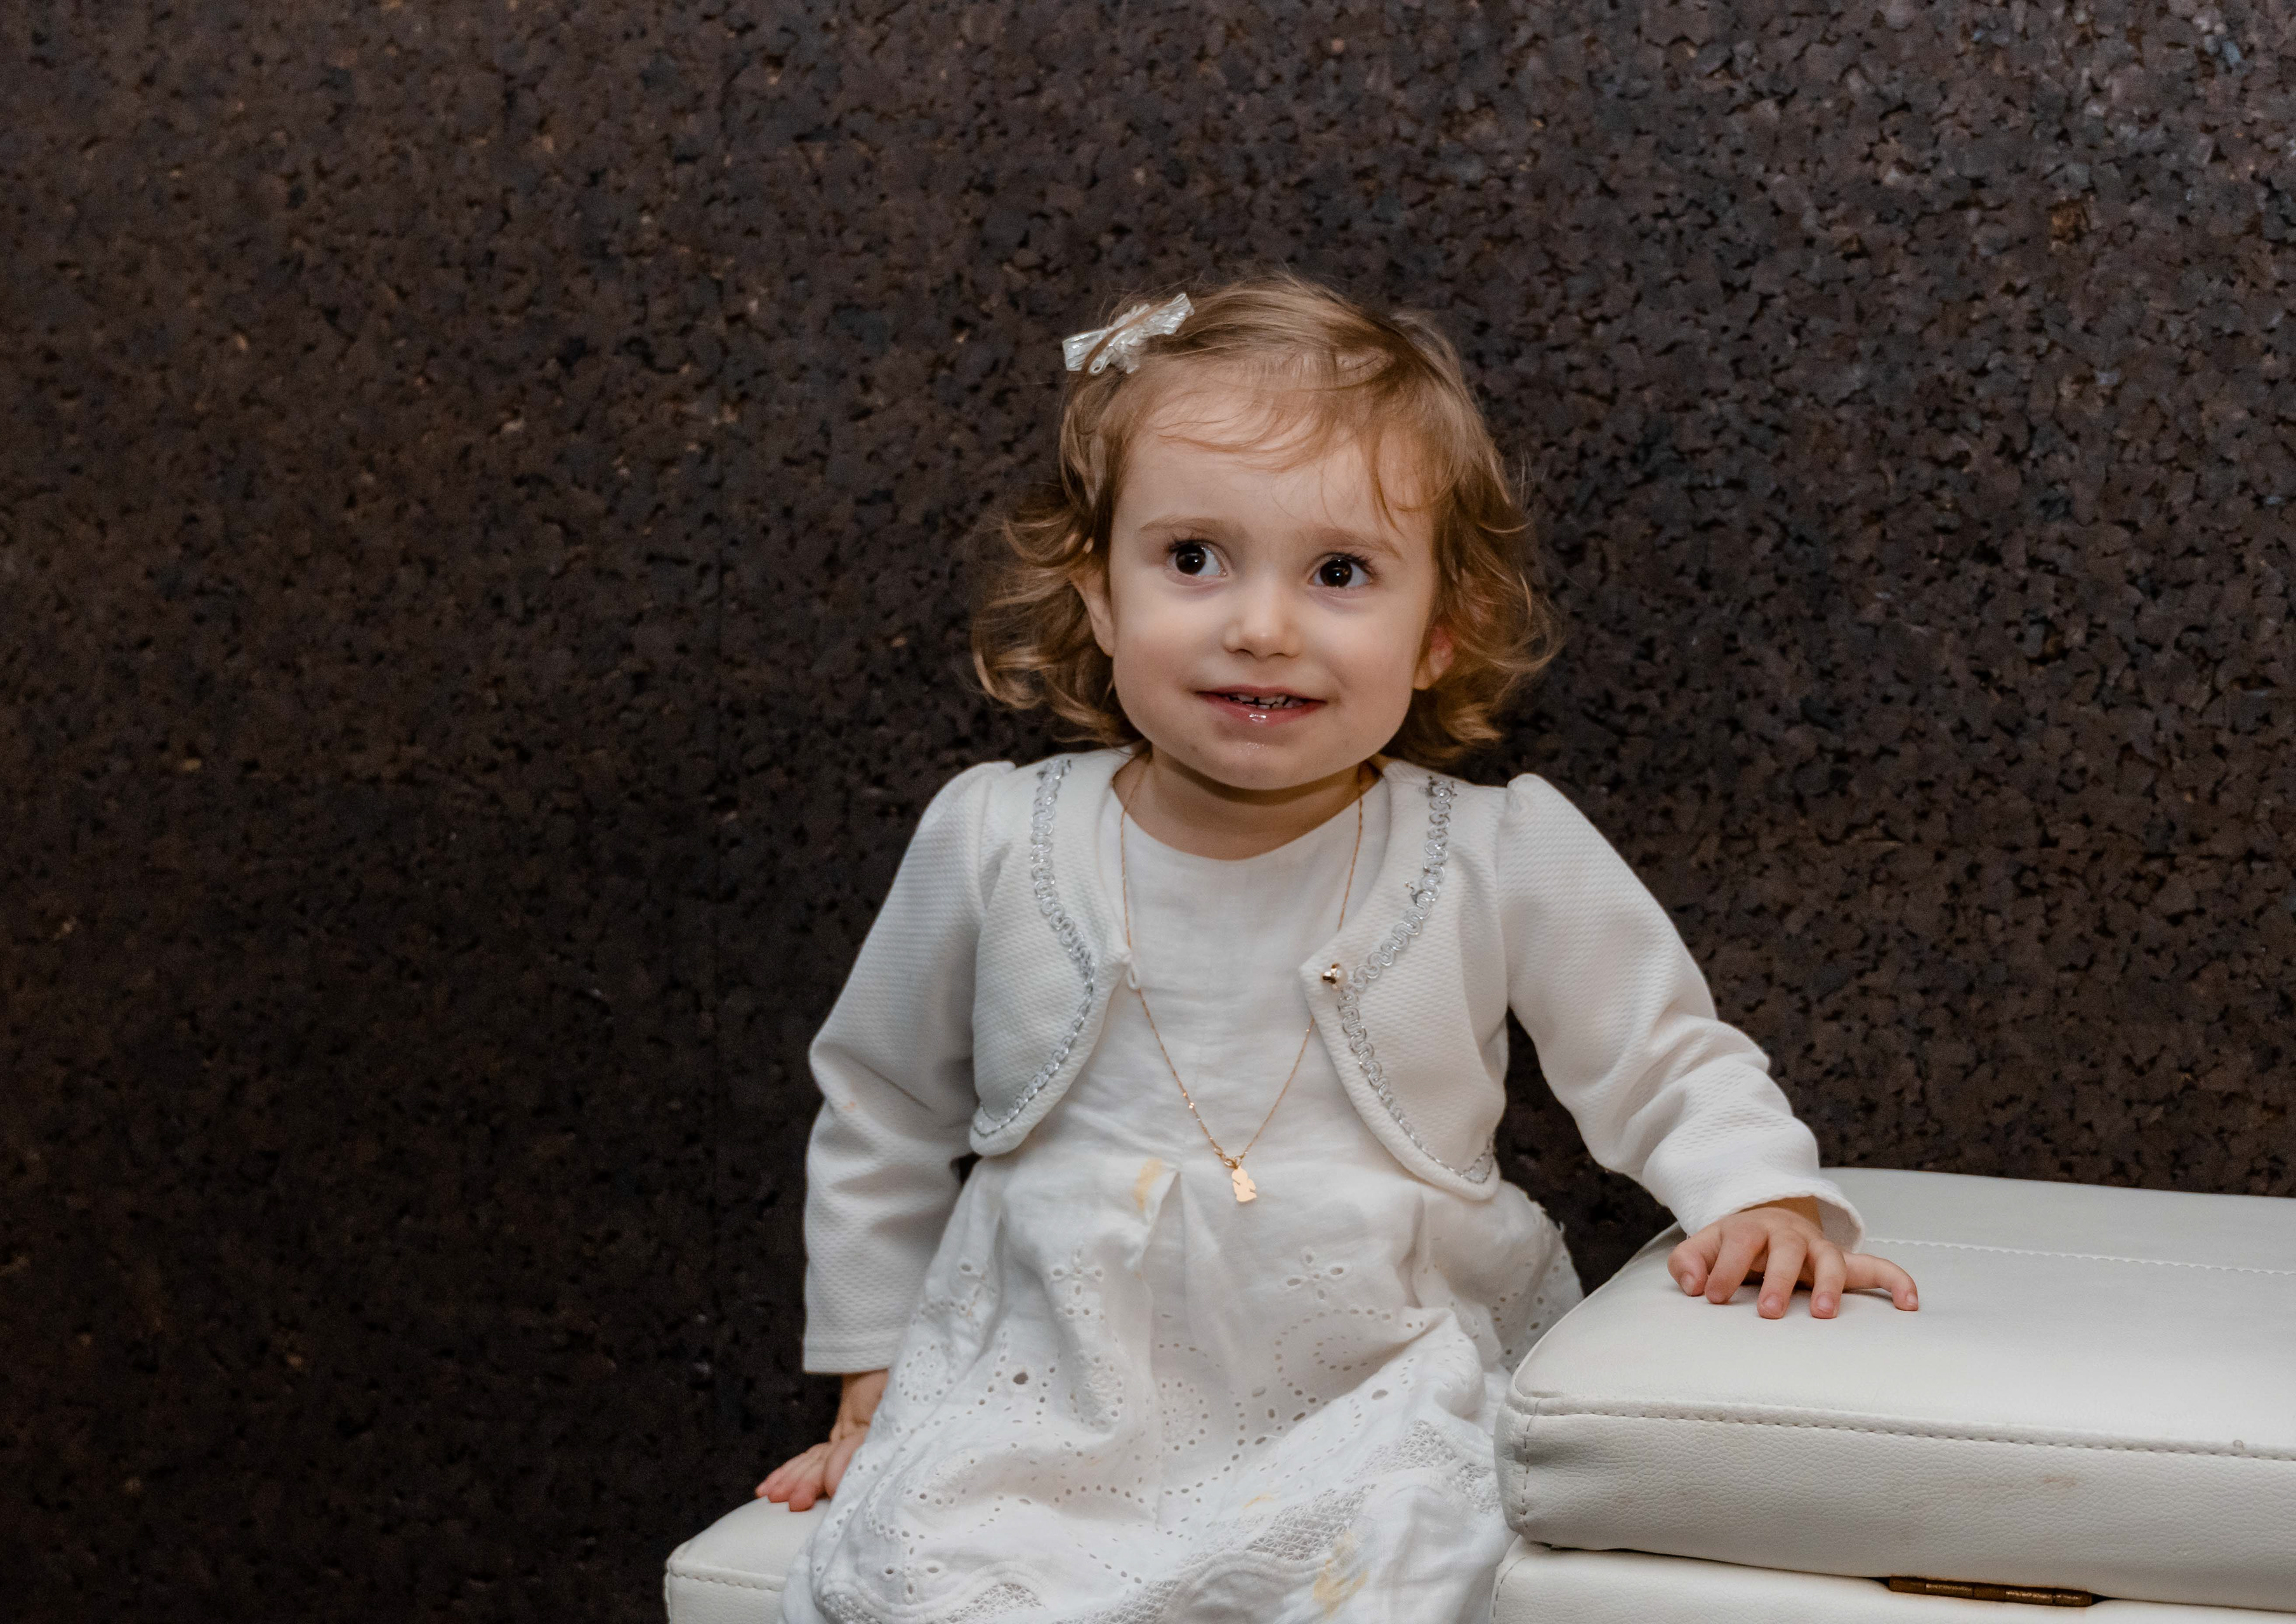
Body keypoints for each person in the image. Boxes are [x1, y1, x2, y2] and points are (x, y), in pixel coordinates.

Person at [754, 274, 1920, 1624]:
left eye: (1340, 573)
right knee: (932, 1572)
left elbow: (1662, 1056)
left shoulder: (1492, 853)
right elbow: (883, 1106)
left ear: (1439, 634)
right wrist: (874, 1373)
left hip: (1379, 1359)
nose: (1262, 625)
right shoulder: (998, 838)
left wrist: (1762, 1198)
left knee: (1407, 1549)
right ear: (1098, 595)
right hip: (1053, 1371)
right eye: (1194, 557)